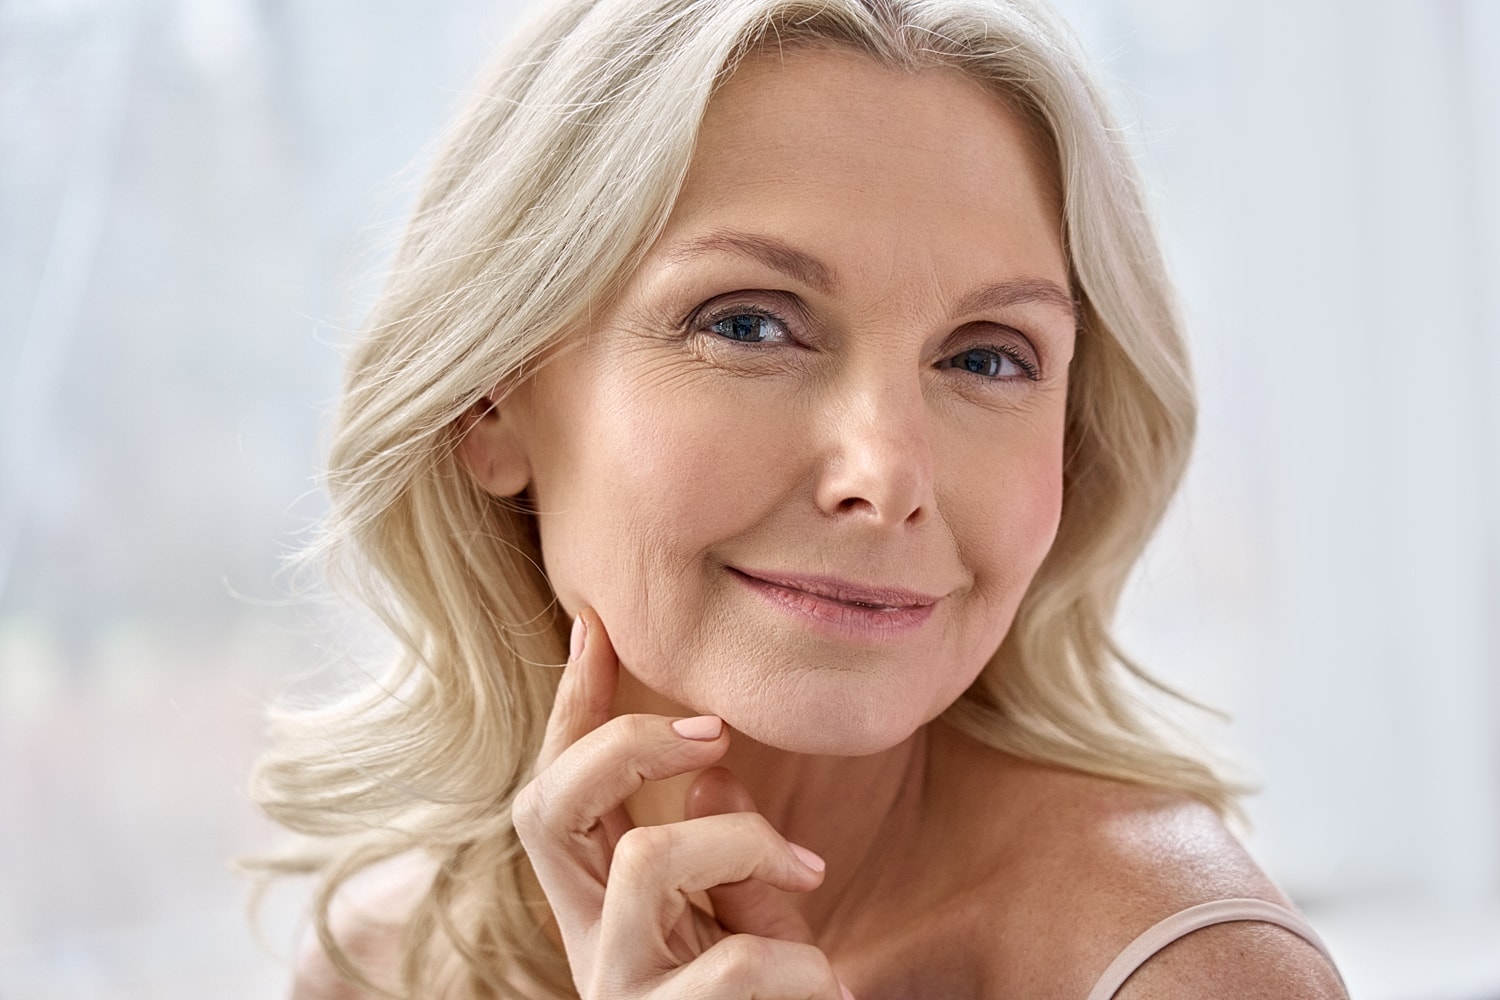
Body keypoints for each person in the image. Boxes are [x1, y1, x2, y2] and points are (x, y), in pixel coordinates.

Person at [251, 1, 1350, 997]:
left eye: (987, 357)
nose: (887, 475)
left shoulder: (1192, 973)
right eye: (748, 324)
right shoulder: (383, 965)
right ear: (489, 404)